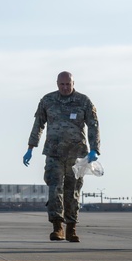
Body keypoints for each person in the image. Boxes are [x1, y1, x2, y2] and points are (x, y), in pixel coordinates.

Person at [23, 71, 99, 243]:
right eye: (62, 84)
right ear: (57, 84)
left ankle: (71, 227)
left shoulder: (83, 101)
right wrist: (30, 147)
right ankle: (57, 227)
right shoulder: (47, 101)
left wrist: (94, 149)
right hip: (54, 153)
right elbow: (38, 124)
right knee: (54, 189)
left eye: (68, 84)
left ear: (73, 83)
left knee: (72, 191)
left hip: (77, 155)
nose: (65, 88)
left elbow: (93, 125)